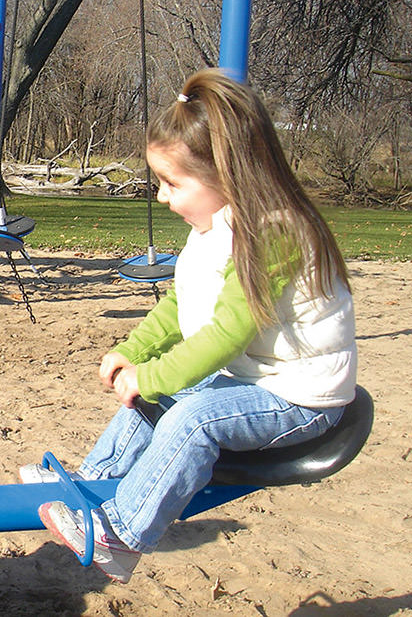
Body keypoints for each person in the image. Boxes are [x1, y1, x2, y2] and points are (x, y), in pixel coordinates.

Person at [23, 69, 356, 584]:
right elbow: (182, 305)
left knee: (193, 418)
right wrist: (135, 352)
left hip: (303, 397)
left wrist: (153, 377)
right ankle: (90, 484)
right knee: (157, 395)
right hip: (258, 379)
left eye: (173, 183)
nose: (161, 197)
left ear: (227, 174)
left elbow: (226, 335)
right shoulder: (214, 225)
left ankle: (122, 537)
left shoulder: (276, 232)